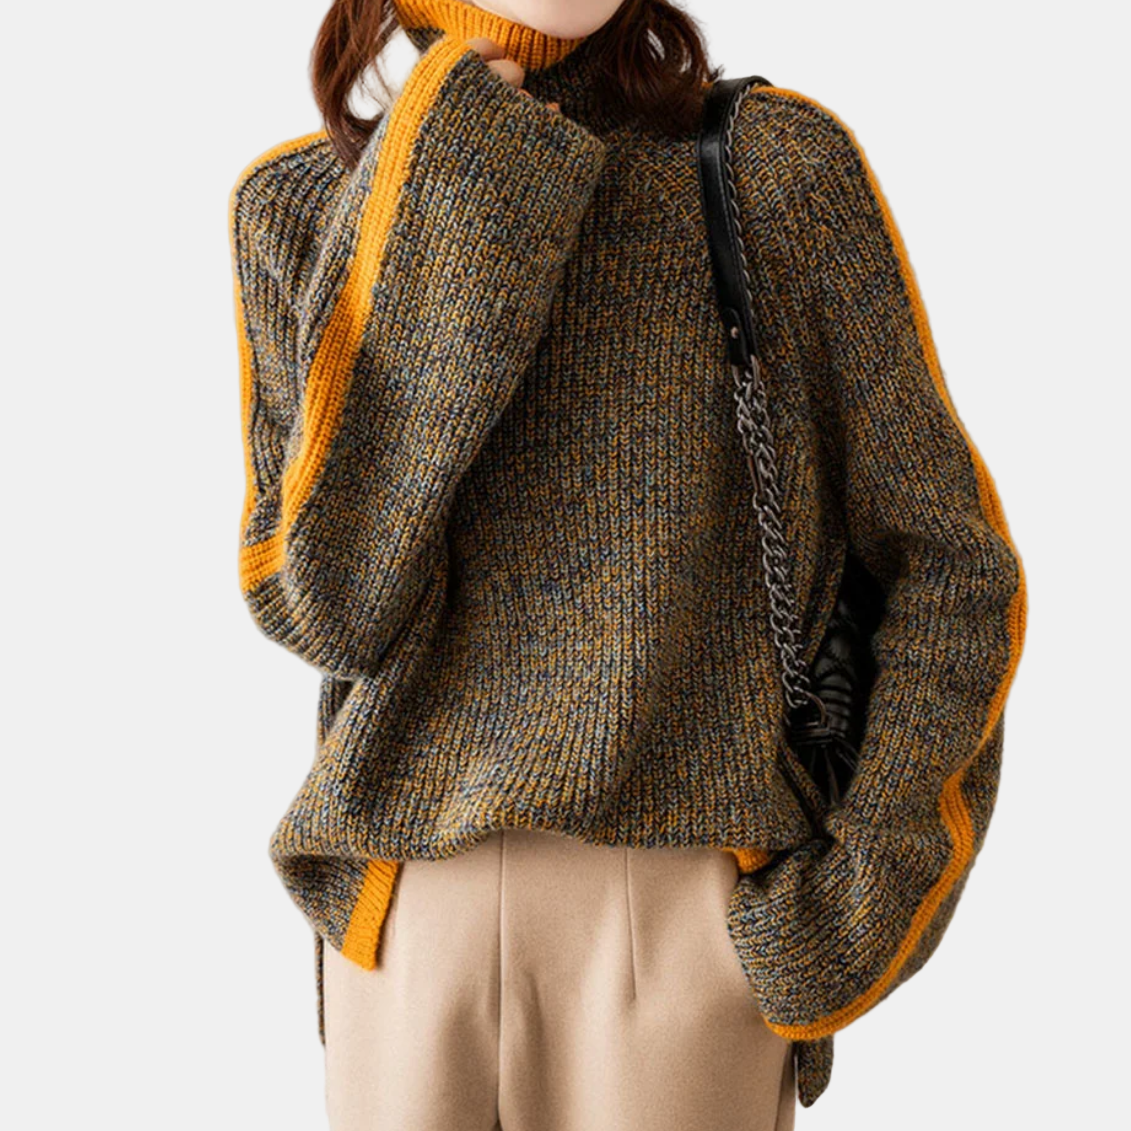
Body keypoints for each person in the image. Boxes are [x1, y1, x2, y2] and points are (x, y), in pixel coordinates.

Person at [227, 0, 1028, 1127]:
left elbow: (951, 570)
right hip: (405, 925)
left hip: (684, 926)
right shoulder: (301, 205)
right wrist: (455, 178)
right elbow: (328, 602)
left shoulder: (768, 173)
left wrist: (854, 907)